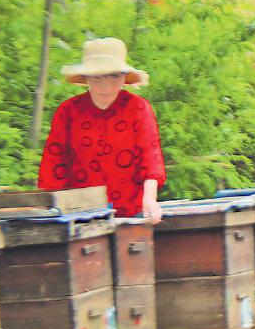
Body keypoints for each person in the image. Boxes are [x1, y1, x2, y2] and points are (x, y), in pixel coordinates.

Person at [38, 37, 165, 223]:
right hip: (79, 212)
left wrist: (150, 199)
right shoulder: (68, 112)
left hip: (132, 211)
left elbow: (150, 158)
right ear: (86, 78)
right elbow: (54, 163)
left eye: (113, 76)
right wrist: (50, 206)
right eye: (97, 77)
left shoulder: (138, 108)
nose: (105, 85)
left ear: (124, 77)